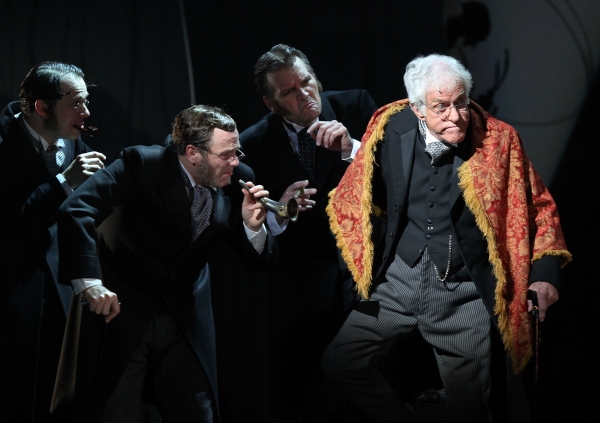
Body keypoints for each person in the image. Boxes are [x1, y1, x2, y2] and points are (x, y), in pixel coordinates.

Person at [323, 53, 571, 423]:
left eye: (461, 103)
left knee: (470, 408)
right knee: (340, 362)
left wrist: (545, 272)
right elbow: (367, 190)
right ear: (418, 109)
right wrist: (347, 152)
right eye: (442, 107)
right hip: (396, 285)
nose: (455, 115)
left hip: (462, 294)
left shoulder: (499, 141)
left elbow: (538, 206)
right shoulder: (390, 127)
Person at [51, 104, 276, 423]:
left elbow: (255, 260)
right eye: (225, 154)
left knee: (197, 414)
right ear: (192, 152)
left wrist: (254, 228)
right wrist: (89, 282)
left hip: (184, 321)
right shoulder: (141, 163)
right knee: (117, 413)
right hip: (125, 315)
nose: (235, 162)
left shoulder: (237, 178)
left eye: (236, 151)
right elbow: (76, 210)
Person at [240, 44, 378, 421]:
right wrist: (282, 211)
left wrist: (352, 147)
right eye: (289, 92)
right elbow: (256, 222)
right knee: (311, 390)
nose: (304, 95)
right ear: (271, 104)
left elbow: (397, 172)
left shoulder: (356, 107)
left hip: (370, 273)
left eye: (306, 82)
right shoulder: (252, 143)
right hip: (302, 290)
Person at [0, 62, 106, 423]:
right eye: (76, 103)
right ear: (42, 107)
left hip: (61, 291)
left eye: (86, 102)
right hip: (14, 292)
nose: (86, 113)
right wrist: (64, 182)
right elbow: (12, 219)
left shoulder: (75, 144)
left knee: (57, 393)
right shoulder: (4, 143)